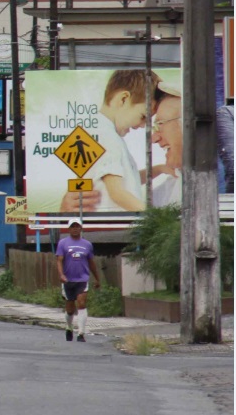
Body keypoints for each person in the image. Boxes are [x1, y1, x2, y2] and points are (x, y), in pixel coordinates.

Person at [82, 70, 150, 212]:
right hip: (115, 221)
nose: (143, 125)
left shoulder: (96, 129)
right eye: (143, 116)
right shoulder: (108, 138)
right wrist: (156, 216)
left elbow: (127, 181)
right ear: (123, 99)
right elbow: (117, 193)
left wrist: (159, 169)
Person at [55, 218, 101, 342]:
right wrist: (61, 274)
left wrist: (97, 278)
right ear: (69, 229)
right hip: (68, 279)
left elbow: (91, 262)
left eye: (77, 226)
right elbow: (59, 260)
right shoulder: (63, 243)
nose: (75, 228)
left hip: (82, 278)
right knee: (70, 308)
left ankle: (81, 333)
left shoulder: (87, 244)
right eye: (72, 226)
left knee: (81, 303)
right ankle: (69, 327)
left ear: (81, 228)